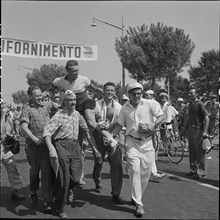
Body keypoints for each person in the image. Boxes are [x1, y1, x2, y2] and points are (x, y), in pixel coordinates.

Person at [43, 90, 100, 219]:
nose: (73, 102)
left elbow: (86, 130)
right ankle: (59, 208)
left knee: (75, 178)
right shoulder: (59, 115)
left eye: (74, 100)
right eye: (70, 100)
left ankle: (65, 190)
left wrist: (95, 149)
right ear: (65, 101)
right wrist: (51, 148)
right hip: (61, 145)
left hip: (75, 146)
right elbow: (47, 132)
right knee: (64, 179)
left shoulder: (77, 115)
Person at [111, 82, 165, 217]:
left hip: (147, 143)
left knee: (145, 173)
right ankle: (139, 203)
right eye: (134, 94)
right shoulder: (124, 108)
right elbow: (119, 124)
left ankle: (136, 196)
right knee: (134, 169)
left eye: (139, 93)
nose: (137, 96)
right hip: (131, 142)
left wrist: (153, 125)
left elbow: (161, 116)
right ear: (129, 95)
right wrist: (110, 136)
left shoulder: (150, 103)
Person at [52, 60, 102, 187]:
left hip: (84, 105)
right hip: (71, 109)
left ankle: (98, 143)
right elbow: (52, 88)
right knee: (76, 144)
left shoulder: (83, 79)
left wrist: (102, 92)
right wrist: (50, 97)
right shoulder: (60, 81)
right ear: (67, 70)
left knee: (87, 127)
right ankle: (73, 174)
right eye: (74, 71)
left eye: (77, 70)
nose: (76, 73)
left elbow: (93, 88)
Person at [19, 85, 58, 212]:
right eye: (37, 96)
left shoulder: (47, 105)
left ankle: (47, 201)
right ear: (30, 96)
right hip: (33, 147)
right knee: (35, 171)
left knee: (46, 173)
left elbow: (61, 106)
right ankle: (33, 189)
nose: (40, 97)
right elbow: (24, 126)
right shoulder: (27, 109)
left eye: (40, 95)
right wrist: (35, 139)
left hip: (46, 145)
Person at [92, 82, 124, 204]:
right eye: (107, 90)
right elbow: (92, 121)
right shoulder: (96, 105)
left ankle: (116, 193)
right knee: (99, 161)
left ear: (115, 92)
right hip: (99, 137)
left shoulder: (119, 107)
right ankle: (97, 180)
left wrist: (113, 136)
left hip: (113, 137)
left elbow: (120, 123)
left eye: (112, 90)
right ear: (103, 91)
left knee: (116, 165)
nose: (110, 92)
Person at [1, 101, 25, 200]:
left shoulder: (8, 118)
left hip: (6, 149)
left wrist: (13, 135)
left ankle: (15, 191)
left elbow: (11, 131)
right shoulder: (3, 117)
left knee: (13, 170)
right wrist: (3, 115)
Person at [184, 87, 209, 179]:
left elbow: (206, 117)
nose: (190, 95)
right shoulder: (190, 105)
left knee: (200, 151)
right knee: (192, 151)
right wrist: (185, 129)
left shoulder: (200, 104)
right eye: (189, 93)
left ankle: (201, 171)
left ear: (196, 94)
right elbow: (189, 119)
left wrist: (205, 131)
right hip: (191, 129)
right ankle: (193, 169)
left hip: (199, 129)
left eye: (192, 93)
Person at [144, 90, 165, 182]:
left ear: (152, 95)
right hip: (145, 130)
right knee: (148, 151)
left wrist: (155, 126)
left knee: (151, 150)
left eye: (148, 95)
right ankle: (151, 172)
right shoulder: (143, 103)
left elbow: (160, 116)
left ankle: (153, 172)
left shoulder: (154, 103)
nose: (146, 96)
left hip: (152, 129)